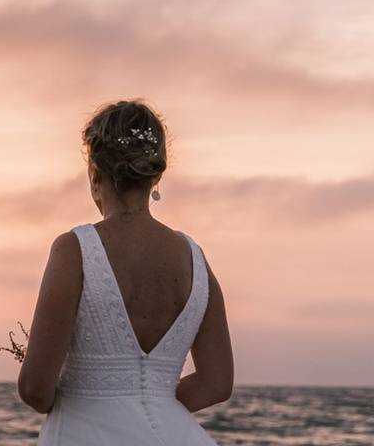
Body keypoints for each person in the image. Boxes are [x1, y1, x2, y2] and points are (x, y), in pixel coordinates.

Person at [18, 98, 234, 445]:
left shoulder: (74, 250)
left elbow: (35, 389)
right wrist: (155, 403)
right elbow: (217, 384)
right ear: (156, 175)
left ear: (95, 173)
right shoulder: (195, 259)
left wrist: (94, 397)